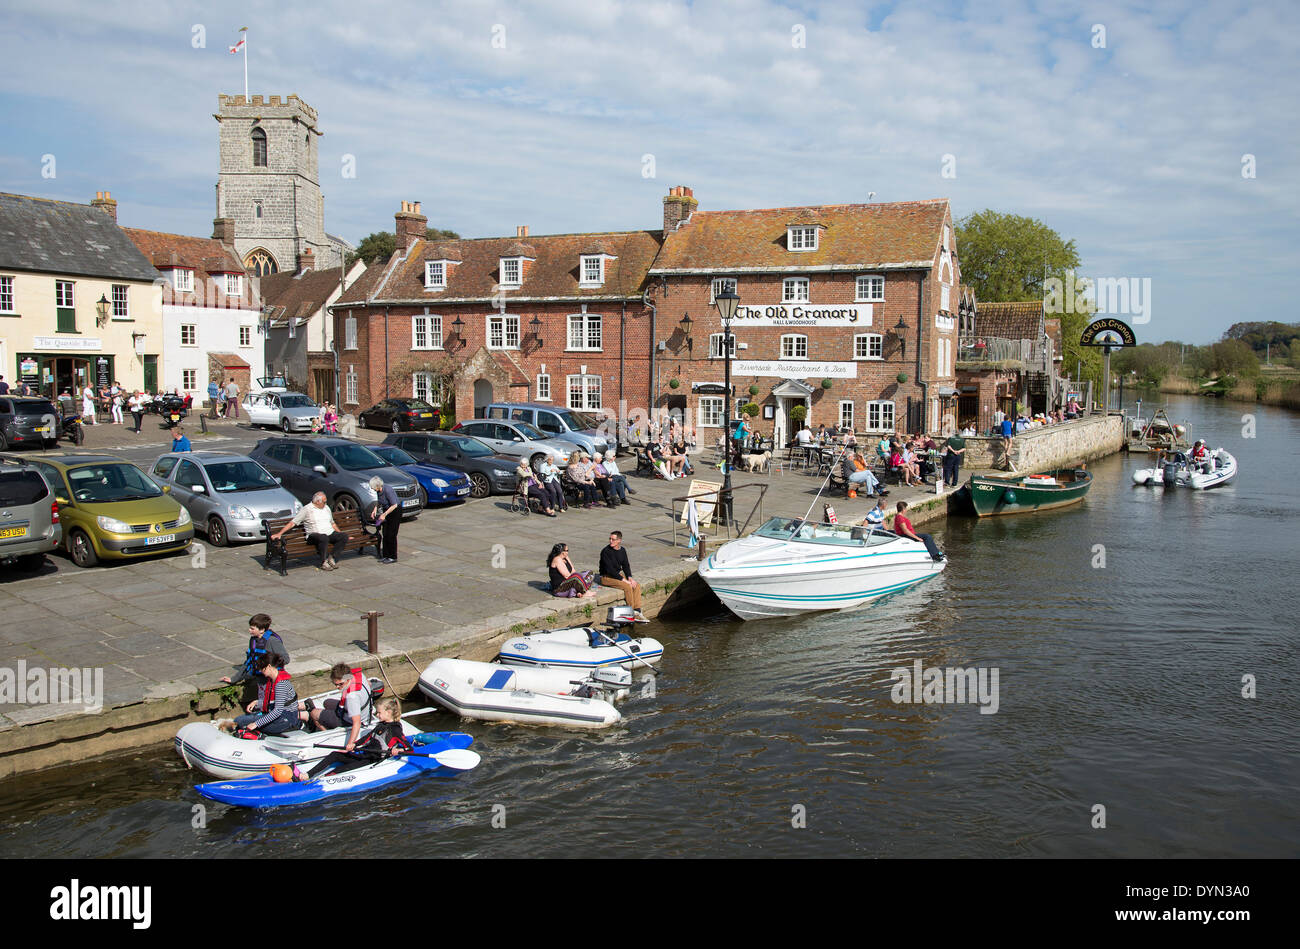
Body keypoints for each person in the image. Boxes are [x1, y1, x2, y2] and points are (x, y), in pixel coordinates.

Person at [293, 697, 411, 782]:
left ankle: (318, 782)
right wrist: (354, 744)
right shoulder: (381, 725)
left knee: (341, 769)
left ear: (389, 712)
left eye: (379, 713)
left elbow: (409, 749)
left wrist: (398, 751)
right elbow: (367, 738)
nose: (377, 715)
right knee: (334, 754)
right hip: (364, 754)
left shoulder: (395, 729)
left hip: (372, 760)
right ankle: (308, 775)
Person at [305, 663, 375, 750]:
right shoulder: (360, 675)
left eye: (341, 684)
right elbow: (369, 684)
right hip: (357, 709)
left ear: (348, 679)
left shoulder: (351, 697)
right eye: (335, 684)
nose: (338, 687)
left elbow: (356, 723)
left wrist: (350, 745)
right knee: (327, 702)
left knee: (314, 713)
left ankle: (329, 735)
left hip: (349, 720)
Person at [272, 491, 347, 570]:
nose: (325, 503)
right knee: (324, 537)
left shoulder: (326, 508)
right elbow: (293, 523)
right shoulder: (307, 509)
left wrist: (339, 533)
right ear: (317, 501)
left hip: (329, 533)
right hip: (314, 535)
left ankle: (331, 558)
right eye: (324, 502)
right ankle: (323, 562)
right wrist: (279, 533)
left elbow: (333, 524)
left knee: (344, 536)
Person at [233, 654, 300, 735]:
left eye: (262, 668)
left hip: (286, 720)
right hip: (281, 715)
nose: (260, 671)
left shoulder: (280, 684)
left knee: (240, 721)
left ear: (268, 666)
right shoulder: (274, 679)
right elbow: (279, 703)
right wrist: (257, 702)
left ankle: (295, 726)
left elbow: (277, 711)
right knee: (241, 719)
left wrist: (255, 724)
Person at [221, 614, 289, 686]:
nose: (249, 630)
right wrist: (234, 679)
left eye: (252, 629)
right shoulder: (254, 640)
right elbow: (249, 661)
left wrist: (268, 667)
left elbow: (286, 659)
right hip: (261, 680)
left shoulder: (272, 641)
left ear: (262, 630)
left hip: (273, 680)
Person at [599, 530, 647, 620]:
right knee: (627, 587)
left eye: (613, 539)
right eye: (610, 539)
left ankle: (637, 610)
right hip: (606, 577)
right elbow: (610, 570)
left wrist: (630, 577)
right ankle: (630, 611)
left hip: (617, 575)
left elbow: (626, 565)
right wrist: (624, 580)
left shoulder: (622, 550)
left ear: (619, 540)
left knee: (636, 585)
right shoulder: (605, 552)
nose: (610, 541)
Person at [368, 476, 403, 563]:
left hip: (394, 512)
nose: (372, 489)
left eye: (373, 487)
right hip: (387, 511)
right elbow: (379, 501)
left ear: (378, 486)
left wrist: (384, 514)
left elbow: (394, 505)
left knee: (391, 534)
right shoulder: (378, 491)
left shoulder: (388, 490)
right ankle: (386, 555)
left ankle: (392, 556)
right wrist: (375, 509)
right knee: (385, 533)